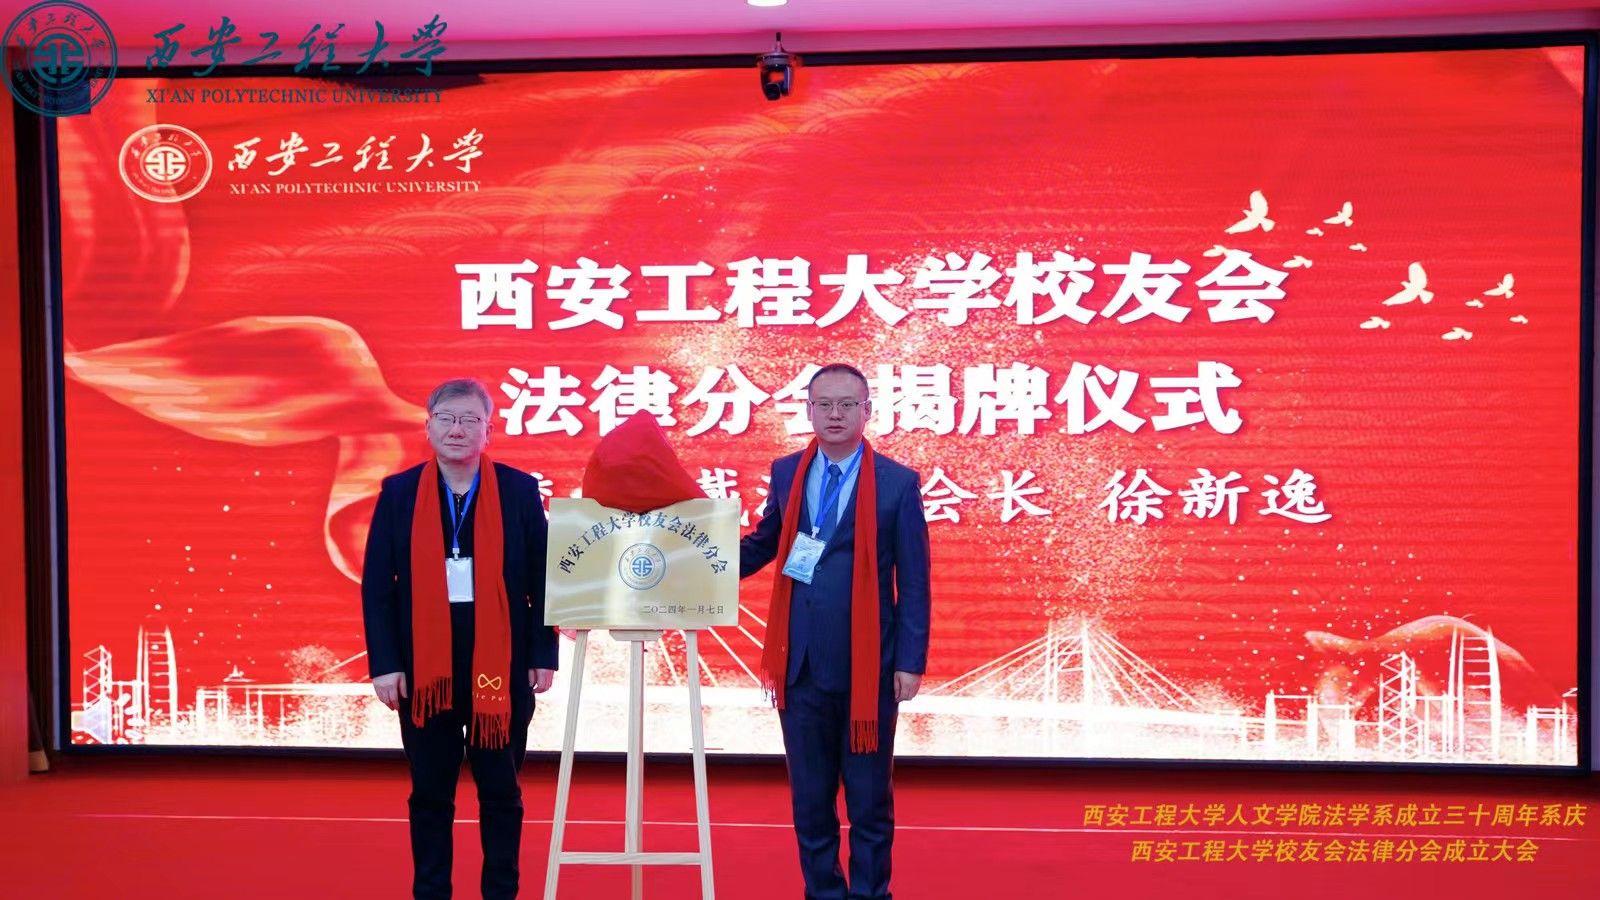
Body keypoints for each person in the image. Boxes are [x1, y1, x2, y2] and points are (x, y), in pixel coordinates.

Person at [740, 363, 931, 900]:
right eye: (824, 404)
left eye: (847, 404)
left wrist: (910, 661)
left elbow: (914, 580)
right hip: (800, 665)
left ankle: (871, 893)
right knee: (810, 800)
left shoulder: (897, 483)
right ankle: (822, 892)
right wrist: (701, 563)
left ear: (867, 411)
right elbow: (765, 543)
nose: (835, 414)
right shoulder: (787, 473)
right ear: (808, 410)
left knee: (869, 802)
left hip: (869, 667)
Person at [362, 377, 558, 900]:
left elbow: (542, 579)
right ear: (428, 427)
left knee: (500, 790)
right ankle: (431, 892)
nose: (457, 430)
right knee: (430, 793)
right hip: (424, 668)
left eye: (470, 420)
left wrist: (543, 652)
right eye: (447, 419)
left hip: (502, 661)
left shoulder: (518, 490)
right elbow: (378, 586)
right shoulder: (399, 492)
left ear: (488, 430)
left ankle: (501, 891)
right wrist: (385, 663)